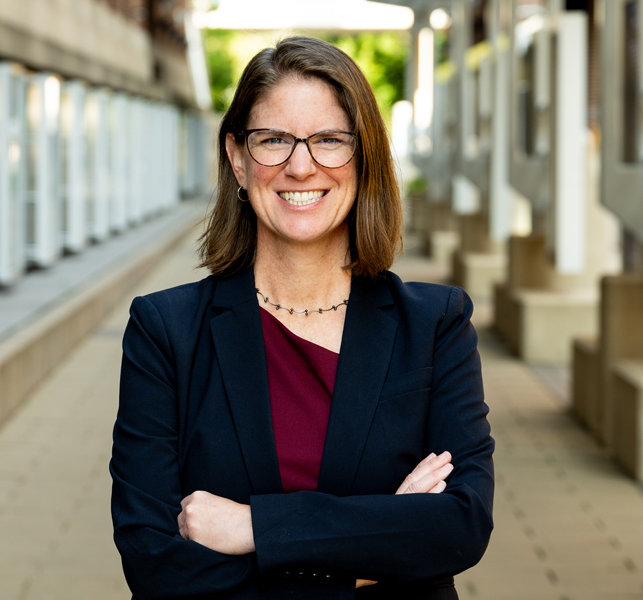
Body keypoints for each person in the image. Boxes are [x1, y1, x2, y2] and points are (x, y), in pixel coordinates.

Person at [111, 36, 494, 600]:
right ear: (237, 160)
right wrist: (374, 549)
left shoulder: (436, 326)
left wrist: (252, 529)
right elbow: (154, 565)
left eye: (329, 140)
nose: (300, 165)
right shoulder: (165, 331)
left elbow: (458, 527)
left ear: (364, 160)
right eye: (273, 140)